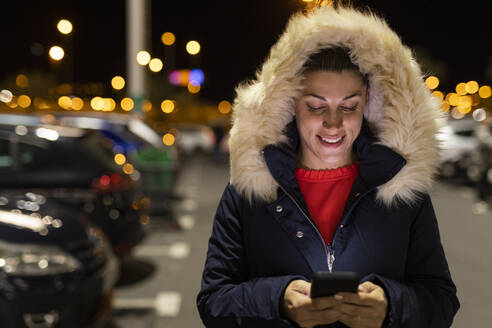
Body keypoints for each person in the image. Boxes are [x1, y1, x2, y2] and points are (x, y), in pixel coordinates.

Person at [197, 3, 460, 328]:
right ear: (291, 103)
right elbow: (213, 301)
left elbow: (441, 301)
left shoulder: (402, 188)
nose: (333, 124)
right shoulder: (249, 190)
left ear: (368, 101)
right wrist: (278, 300)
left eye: (349, 106)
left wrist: (390, 305)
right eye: (316, 106)